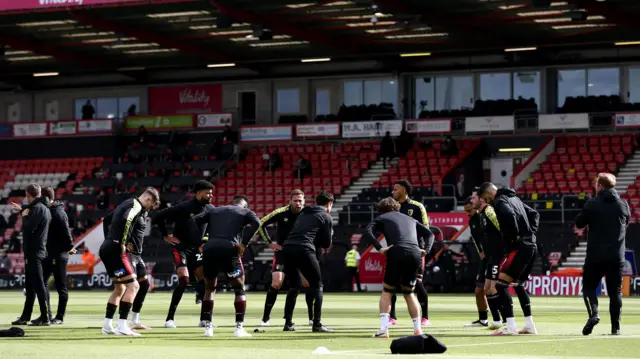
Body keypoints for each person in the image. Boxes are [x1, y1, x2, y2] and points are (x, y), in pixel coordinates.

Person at [189, 195, 260, 338]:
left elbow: (194, 220)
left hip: (210, 249)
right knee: (239, 289)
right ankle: (239, 328)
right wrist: (243, 244)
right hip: (230, 249)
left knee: (209, 288)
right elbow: (257, 223)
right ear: (244, 206)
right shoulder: (246, 212)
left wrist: (201, 242)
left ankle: (208, 328)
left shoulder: (215, 210)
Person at [362, 197, 434, 338]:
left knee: (387, 292)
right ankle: (418, 330)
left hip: (396, 251)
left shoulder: (382, 218)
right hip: (415, 253)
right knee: (409, 293)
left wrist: (380, 248)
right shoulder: (410, 219)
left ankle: (383, 329)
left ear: (381, 210)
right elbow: (429, 234)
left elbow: (367, 232)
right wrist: (426, 250)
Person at [477, 183, 540, 336]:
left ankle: (510, 327)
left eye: (486, 198)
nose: (488, 202)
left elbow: (509, 216)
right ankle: (529, 325)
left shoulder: (500, 201)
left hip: (519, 247)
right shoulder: (515, 199)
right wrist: (530, 233)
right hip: (531, 245)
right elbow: (534, 214)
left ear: (491, 192)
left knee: (500, 285)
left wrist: (513, 238)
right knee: (518, 284)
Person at [152, 180, 214, 328]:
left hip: (198, 249)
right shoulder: (184, 207)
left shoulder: (211, 209)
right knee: (184, 281)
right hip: (181, 248)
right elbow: (158, 217)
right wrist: (165, 235)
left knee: (206, 283)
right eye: (208, 192)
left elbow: (212, 226)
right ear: (198, 193)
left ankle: (204, 320)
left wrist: (205, 240)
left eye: (211, 192)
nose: (211, 195)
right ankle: (170, 319)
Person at [99, 188, 159, 337]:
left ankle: (107, 325)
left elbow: (107, 219)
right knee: (134, 286)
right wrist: (121, 242)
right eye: (150, 206)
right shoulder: (135, 206)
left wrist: (110, 239)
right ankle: (122, 326)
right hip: (116, 249)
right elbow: (126, 220)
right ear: (148, 200)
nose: (149, 210)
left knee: (120, 288)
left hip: (107, 247)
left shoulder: (125, 203)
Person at [575, 173, 629, 336]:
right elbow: (626, 222)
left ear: (600, 186)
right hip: (616, 256)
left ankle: (594, 314)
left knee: (589, 288)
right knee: (615, 292)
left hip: (595, 256)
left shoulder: (593, 204)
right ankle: (615, 328)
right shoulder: (623, 204)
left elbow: (579, 223)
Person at [258, 190, 315, 327]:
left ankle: (311, 318)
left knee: (307, 283)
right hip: (282, 252)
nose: (298, 203)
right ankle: (265, 319)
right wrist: (269, 243)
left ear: (304, 201)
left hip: (300, 252)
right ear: (290, 201)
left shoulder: (308, 213)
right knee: (277, 283)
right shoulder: (280, 213)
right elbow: (260, 223)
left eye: (300, 200)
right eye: (295, 200)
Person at [282, 190, 334, 333]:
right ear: (329, 204)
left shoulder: (304, 213)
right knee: (317, 285)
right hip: (304, 249)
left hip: (287, 248)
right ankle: (316, 324)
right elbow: (326, 244)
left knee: (294, 286)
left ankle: (288, 323)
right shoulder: (326, 216)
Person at [389, 180, 430, 326]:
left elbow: (426, 229)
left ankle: (425, 317)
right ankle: (392, 317)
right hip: (396, 250)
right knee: (392, 283)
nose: (392, 191)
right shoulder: (392, 208)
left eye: (395, 189)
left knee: (417, 283)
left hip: (415, 250)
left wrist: (424, 249)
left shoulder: (417, 207)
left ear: (404, 191)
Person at [103, 208, 151, 331]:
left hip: (137, 254)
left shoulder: (144, 212)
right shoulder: (132, 209)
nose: (153, 207)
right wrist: (111, 239)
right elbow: (107, 219)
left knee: (144, 284)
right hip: (128, 253)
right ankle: (121, 323)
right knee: (128, 287)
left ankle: (133, 321)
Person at [12, 184, 52, 326]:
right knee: (30, 285)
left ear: (28, 194)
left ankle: (45, 316)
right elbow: (33, 217)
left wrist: (23, 216)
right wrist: (22, 210)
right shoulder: (43, 208)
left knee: (39, 284)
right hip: (37, 250)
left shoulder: (36, 209)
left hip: (34, 252)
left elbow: (30, 226)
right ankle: (26, 316)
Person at [470, 189, 506, 330]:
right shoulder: (481, 215)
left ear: (482, 199)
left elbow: (502, 229)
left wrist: (504, 250)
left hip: (498, 255)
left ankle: (506, 319)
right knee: (487, 289)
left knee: (494, 288)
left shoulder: (490, 212)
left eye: (474, 197)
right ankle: (497, 320)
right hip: (491, 256)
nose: (471, 200)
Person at [42, 187, 75, 325]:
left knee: (61, 287)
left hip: (59, 254)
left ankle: (59, 317)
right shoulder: (51, 211)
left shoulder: (58, 213)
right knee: (41, 284)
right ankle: (47, 315)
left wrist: (69, 247)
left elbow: (66, 233)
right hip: (50, 253)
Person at [463, 196, 490, 328]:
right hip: (484, 258)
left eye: (469, 210)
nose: (467, 213)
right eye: (466, 211)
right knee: (479, 290)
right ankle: (483, 319)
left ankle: (502, 319)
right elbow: (476, 239)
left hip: (494, 256)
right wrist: (481, 251)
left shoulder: (485, 217)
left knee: (494, 289)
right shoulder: (472, 220)